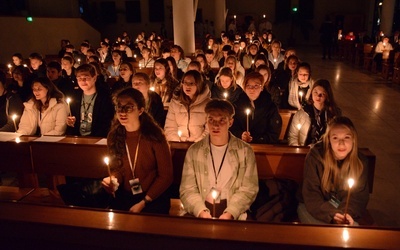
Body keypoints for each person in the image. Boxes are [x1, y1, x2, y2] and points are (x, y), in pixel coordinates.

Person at [180, 99, 258, 220]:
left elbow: (249, 189)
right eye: (211, 120)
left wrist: (230, 213)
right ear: (206, 121)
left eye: (222, 120)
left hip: (233, 215)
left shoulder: (245, 151)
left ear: (230, 122)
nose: (215, 125)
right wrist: (200, 211)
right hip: (201, 213)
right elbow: (187, 189)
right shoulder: (194, 151)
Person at [102, 88, 173, 214]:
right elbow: (116, 168)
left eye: (129, 107)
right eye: (119, 107)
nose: (122, 112)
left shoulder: (155, 137)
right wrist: (113, 180)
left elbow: (166, 176)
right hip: (125, 195)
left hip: (152, 197)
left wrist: (143, 202)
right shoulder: (114, 135)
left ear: (140, 110)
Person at [297, 116, 369, 226]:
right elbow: (311, 194)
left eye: (346, 137)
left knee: (351, 232)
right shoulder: (315, 158)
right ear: (328, 139)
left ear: (354, 139)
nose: (341, 143)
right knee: (325, 234)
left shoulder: (360, 162)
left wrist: (346, 213)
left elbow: (358, 196)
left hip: (345, 211)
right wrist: (332, 214)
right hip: (314, 208)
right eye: (335, 138)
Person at [230, 72, 282, 144]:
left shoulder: (270, 106)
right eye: (249, 86)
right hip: (240, 145)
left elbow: (274, 133)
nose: (252, 89)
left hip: (263, 146)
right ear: (244, 88)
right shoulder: (237, 105)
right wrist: (241, 135)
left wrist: (256, 139)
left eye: (256, 86)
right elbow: (231, 127)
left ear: (262, 87)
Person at [66, 64, 114, 138]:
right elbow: (72, 117)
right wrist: (70, 121)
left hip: (97, 138)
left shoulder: (105, 97)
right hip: (78, 138)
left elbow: (106, 122)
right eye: (79, 78)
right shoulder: (75, 96)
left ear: (94, 78)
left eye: (86, 77)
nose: (83, 81)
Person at [288, 79, 341, 146]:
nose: (318, 96)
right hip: (305, 150)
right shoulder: (302, 113)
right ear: (311, 93)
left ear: (327, 96)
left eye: (322, 94)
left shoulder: (333, 114)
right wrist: (299, 150)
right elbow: (293, 136)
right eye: (315, 92)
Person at [164, 70, 211, 142]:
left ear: (198, 84)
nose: (187, 86)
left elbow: (209, 130)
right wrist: (179, 143)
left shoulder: (208, 104)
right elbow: (170, 127)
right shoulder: (175, 103)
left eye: (191, 83)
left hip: (200, 145)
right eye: (185, 83)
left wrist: (196, 143)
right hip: (179, 145)